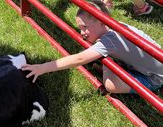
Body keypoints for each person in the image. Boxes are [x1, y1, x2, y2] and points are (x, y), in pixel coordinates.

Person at [21, 0, 163, 94]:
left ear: (101, 23)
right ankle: (111, 65)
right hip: (156, 63)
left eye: (85, 27)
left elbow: (79, 58)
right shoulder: (115, 26)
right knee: (97, 52)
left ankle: (110, 64)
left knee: (110, 86)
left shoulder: (109, 42)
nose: (82, 33)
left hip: (154, 78)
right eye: (80, 28)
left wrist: (42, 68)